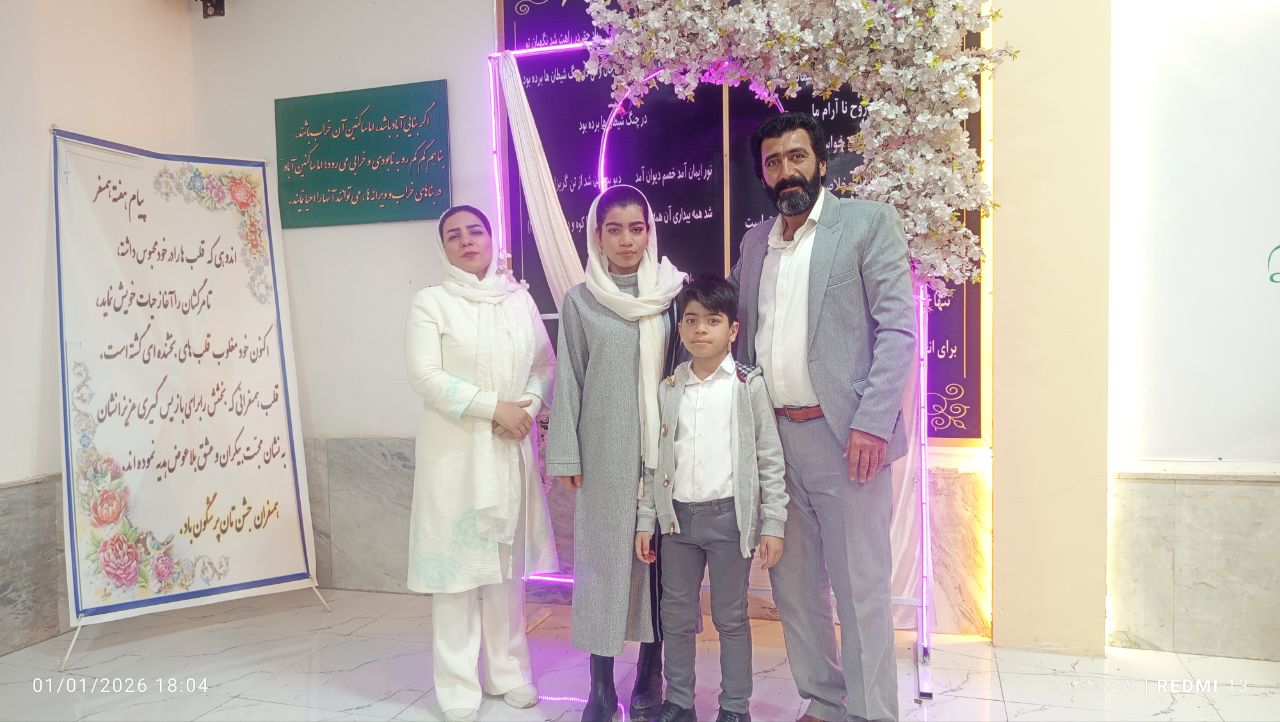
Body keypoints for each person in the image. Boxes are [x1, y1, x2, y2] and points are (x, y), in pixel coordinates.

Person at [731, 113, 916, 722]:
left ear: (820, 163)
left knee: (862, 589)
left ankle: (870, 713)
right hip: (775, 442)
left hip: (847, 440)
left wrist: (872, 422)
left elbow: (898, 329)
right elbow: (728, 324)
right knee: (794, 589)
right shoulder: (755, 243)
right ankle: (826, 704)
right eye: (773, 162)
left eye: (796, 156)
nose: (786, 170)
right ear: (763, 174)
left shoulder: (866, 223)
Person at [404, 205, 560, 722]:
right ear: (443, 247)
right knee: (456, 575)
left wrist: (527, 409)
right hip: (454, 458)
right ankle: (456, 686)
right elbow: (425, 375)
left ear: (492, 240)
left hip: (507, 450)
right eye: (454, 235)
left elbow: (544, 363)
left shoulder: (518, 299)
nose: (467, 241)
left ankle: (508, 673)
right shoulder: (431, 303)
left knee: (504, 572)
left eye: (476, 231)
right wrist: (494, 408)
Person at [546, 184, 686, 722]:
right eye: (614, 229)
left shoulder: (674, 296)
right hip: (603, 451)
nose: (626, 240)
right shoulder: (580, 301)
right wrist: (566, 455)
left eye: (636, 228)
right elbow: (570, 379)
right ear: (597, 236)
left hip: (664, 452)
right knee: (603, 565)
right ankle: (601, 686)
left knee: (660, 566)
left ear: (649, 232)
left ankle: (650, 673)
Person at [634, 275, 789, 722]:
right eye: (691, 320)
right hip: (677, 523)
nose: (701, 329)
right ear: (680, 328)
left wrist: (773, 524)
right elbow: (655, 462)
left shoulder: (747, 385)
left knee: (730, 617)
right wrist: (647, 519)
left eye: (713, 320)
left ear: (732, 330)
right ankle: (679, 701)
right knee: (676, 616)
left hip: (729, 521)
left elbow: (769, 459)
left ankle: (735, 708)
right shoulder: (669, 388)